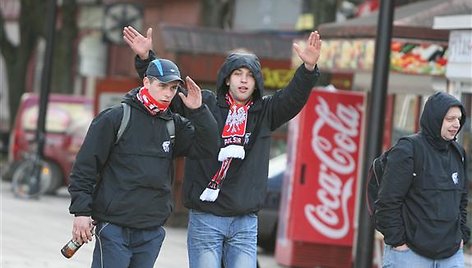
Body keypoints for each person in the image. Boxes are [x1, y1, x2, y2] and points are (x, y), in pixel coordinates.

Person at [123, 25, 322, 268]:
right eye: (238, 73)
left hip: (244, 221)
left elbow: (292, 97)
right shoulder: (205, 102)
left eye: (249, 76)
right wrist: (146, 58)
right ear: (227, 78)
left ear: (256, 82)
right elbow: (168, 93)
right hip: (206, 217)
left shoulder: (266, 112)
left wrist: (308, 69)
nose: (244, 80)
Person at [67, 57, 219, 268]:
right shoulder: (115, 118)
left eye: (174, 88)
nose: (168, 93)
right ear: (147, 83)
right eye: (163, 86)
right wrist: (81, 212)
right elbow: (85, 168)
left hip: (151, 230)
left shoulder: (173, 125)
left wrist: (198, 111)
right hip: (114, 226)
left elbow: (210, 148)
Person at [376, 91, 470, 267]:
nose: (456, 124)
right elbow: (387, 201)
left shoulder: (458, 153)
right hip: (409, 254)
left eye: (459, 118)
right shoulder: (407, 150)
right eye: (450, 119)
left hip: (451, 254)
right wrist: (398, 242)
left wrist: (461, 236)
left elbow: (461, 200)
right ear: (435, 118)